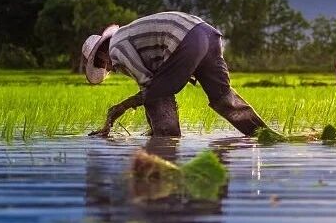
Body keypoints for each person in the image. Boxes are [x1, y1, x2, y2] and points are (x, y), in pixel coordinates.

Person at [82, 11, 268, 137]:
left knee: (157, 95)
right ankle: (264, 134)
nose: (107, 68)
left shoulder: (116, 47)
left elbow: (149, 86)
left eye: (101, 64)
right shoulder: (128, 36)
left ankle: (166, 141)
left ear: (102, 54)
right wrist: (151, 124)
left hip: (186, 39)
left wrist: (120, 108)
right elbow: (154, 85)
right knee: (222, 96)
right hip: (207, 33)